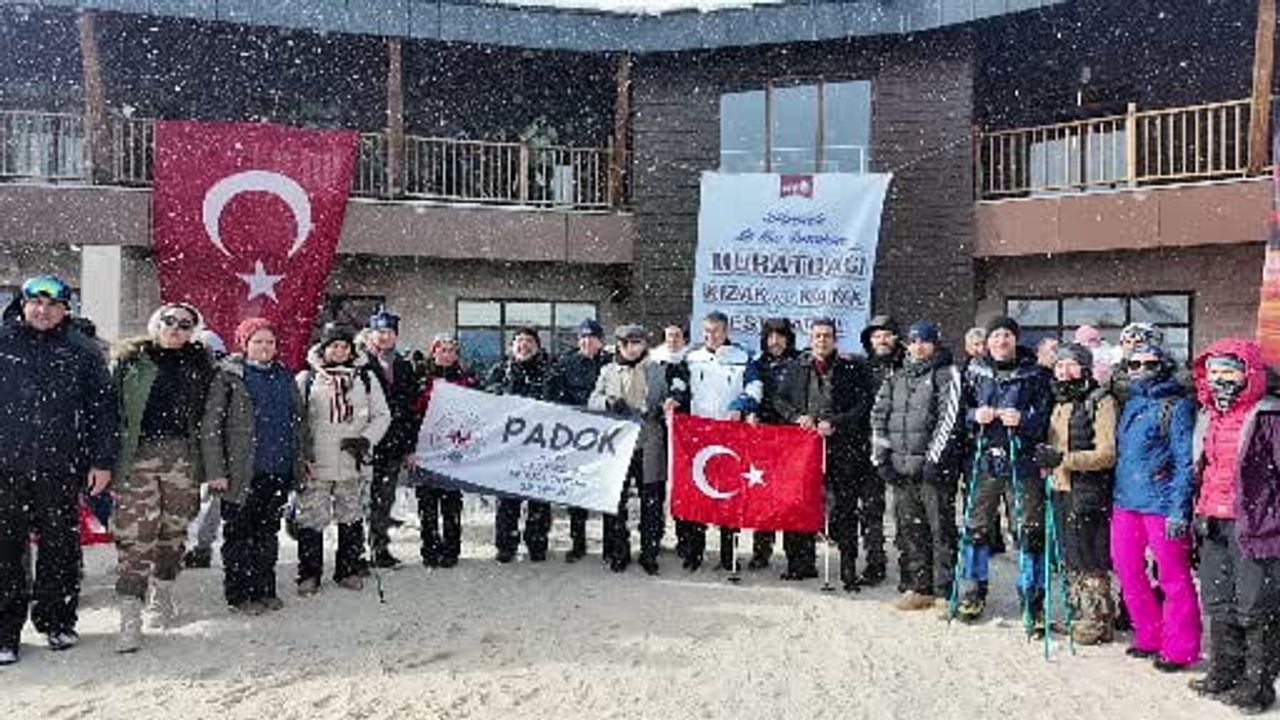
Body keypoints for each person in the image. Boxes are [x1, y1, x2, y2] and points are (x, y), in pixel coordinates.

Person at [0, 276, 117, 665]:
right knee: (6, 549)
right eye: (35, 303)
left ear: (66, 309)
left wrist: (102, 461)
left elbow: (103, 411)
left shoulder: (81, 350)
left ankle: (56, 620)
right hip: (7, 465)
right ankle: (5, 631)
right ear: (23, 304)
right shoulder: (3, 343)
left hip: (61, 465)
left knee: (60, 546)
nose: (43, 311)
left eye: (52, 305)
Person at [110, 301, 217, 653]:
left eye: (186, 324)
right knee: (136, 533)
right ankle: (130, 614)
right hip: (137, 456)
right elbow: (110, 410)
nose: (176, 329)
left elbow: (214, 414)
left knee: (173, 529)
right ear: (156, 324)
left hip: (182, 456)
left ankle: (162, 593)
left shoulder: (202, 364)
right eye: (170, 322)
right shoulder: (130, 361)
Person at [1188, 339, 1280, 712]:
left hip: (1257, 525)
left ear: (1249, 373)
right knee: (1219, 599)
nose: (1221, 380)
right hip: (1212, 519)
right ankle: (1224, 671)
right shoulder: (1208, 415)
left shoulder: (1270, 416)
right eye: (1214, 373)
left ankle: (1258, 685)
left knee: (1257, 605)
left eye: (1229, 371)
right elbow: (1202, 468)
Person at [201, 318, 309, 615]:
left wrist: (302, 459)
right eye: (258, 341)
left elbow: (299, 423)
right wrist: (216, 471)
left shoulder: (284, 376)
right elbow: (212, 427)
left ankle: (265, 588)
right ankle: (240, 594)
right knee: (239, 535)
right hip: (241, 473)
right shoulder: (229, 377)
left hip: (277, 469)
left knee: (267, 534)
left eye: (270, 342)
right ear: (244, 344)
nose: (264, 347)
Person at [955, 316, 1051, 625]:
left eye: (1006, 335)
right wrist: (974, 415)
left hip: (1021, 461)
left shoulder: (1035, 373)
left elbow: (1047, 416)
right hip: (985, 460)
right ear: (987, 341)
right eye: (995, 336)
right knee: (977, 529)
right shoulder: (974, 370)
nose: (1000, 341)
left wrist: (1023, 419)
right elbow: (957, 413)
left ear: (1015, 339)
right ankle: (972, 592)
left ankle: (1032, 600)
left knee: (1028, 532)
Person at [1111, 342, 1200, 671]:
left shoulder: (1176, 406)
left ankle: (1180, 647)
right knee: (1126, 569)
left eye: (1150, 363)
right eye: (1135, 364)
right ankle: (1149, 634)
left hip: (1161, 503)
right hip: (1125, 500)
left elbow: (1183, 461)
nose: (1142, 369)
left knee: (1173, 577)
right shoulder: (1132, 402)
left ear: (1163, 365)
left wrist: (1179, 508)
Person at [774, 319, 874, 590]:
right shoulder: (796, 367)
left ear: (835, 338)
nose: (822, 341)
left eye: (827, 336)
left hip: (842, 448)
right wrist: (797, 417)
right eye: (817, 336)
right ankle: (800, 564)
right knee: (801, 504)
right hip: (804, 449)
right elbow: (779, 400)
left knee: (844, 508)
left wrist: (837, 422)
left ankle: (848, 569)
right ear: (810, 338)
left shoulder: (851, 368)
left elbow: (863, 403)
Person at [871, 321, 962, 611]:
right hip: (901, 469)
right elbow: (879, 418)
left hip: (933, 470)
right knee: (910, 530)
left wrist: (933, 460)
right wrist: (881, 458)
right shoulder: (895, 378)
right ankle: (918, 586)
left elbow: (948, 419)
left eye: (924, 341)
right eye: (913, 341)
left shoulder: (946, 374)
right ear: (906, 345)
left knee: (941, 531)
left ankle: (945, 591)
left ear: (934, 344)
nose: (918, 346)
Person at [294, 323, 390, 594]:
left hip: (352, 459)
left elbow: (382, 415)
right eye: (334, 345)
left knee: (351, 517)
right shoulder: (307, 379)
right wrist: (302, 454)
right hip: (317, 461)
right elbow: (297, 422)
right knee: (312, 519)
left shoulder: (365, 379)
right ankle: (309, 574)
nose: (339, 350)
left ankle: (347, 570)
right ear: (324, 348)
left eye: (344, 346)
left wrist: (366, 439)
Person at [1034, 343, 1118, 645]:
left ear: (1084, 367)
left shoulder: (1099, 399)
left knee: (1090, 556)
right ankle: (1078, 614)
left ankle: (1097, 621)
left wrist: (1064, 459)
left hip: (1088, 489)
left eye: (1070, 365)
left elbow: (1107, 453)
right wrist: (1047, 459)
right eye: (1059, 366)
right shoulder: (1059, 400)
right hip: (1060, 487)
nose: (1064, 371)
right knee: (1070, 554)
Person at [671, 311, 752, 572]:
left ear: (727, 332)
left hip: (731, 436)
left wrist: (741, 405)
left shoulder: (743, 357)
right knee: (698, 495)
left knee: (729, 495)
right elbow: (680, 384)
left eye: (716, 331)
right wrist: (675, 398)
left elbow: (755, 388)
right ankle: (694, 552)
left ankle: (729, 555)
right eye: (707, 331)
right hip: (699, 436)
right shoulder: (692, 357)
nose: (711, 336)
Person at [588, 324, 672, 574]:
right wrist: (608, 402)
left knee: (651, 501)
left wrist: (662, 407)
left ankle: (649, 552)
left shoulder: (657, 370)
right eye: (626, 344)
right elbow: (593, 399)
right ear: (619, 345)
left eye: (637, 343)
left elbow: (668, 398)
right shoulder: (608, 371)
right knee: (616, 500)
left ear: (645, 345)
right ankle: (618, 551)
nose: (632, 348)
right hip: (618, 445)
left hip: (649, 442)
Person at [730, 318, 801, 572]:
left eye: (780, 336)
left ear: (788, 338)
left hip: (795, 438)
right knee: (763, 496)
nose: (775, 341)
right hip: (765, 437)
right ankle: (762, 551)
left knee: (793, 497)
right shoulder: (758, 364)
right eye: (770, 336)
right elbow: (751, 392)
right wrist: (748, 411)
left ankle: (797, 555)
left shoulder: (801, 361)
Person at [407, 333, 478, 568]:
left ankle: (451, 550)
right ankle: (429, 550)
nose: (446, 355)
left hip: (453, 453)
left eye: (451, 350)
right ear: (434, 352)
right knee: (427, 507)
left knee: (451, 506)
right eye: (442, 350)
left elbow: (477, 415)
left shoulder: (467, 379)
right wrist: (409, 448)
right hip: (424, 451)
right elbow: (409, 416)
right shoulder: (420, 378)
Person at [486, 327, 554, 563]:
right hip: (508, 446)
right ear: (512, 346)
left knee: (539, 499)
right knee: (507, 499)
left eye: (529, 341)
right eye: (519, 341)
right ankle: (506, 545)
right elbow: (488, 396)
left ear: (537, 346)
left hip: (539, 445)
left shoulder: (548, 372)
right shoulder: (500, 370)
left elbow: (559, 402)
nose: (523, 346)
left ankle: (537, 544)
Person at [546, 319, 611, 563]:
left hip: (606, 437)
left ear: (600, 340)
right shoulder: (565, 363)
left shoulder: (610, 363)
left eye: (591, 337)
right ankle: (578, 542)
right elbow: (554, 395)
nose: (586, 341)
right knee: (577, 492)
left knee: (607, 489)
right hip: (576, 436)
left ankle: (610, 543)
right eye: (582, 337)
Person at [362, 310, 421, 569]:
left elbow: (409, 409)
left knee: (384, 498)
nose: (384, 337)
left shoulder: (404, 366)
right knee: (361, 499)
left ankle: (379, 547)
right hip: (366, 442)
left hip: (394, 443)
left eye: (389, 332)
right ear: (371, 334)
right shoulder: (360, 363)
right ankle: (356, 552)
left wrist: (409, 447)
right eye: (380, 332)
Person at [855, 315, 902, 586]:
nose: (881, 340)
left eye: (886, 334)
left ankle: (911, 564)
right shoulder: (861, 368)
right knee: (871, 508)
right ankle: (875, 561)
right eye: (876, 336)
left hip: (904, 444)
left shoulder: (908, 365)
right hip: (869, 444)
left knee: (906, 510)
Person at [184, 330, 229, 570]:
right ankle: (196, 546)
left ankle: (200, 547)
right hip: (194, 445)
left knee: (212, 499)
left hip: (214, 445)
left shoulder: (226, 376)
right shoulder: (189, 372)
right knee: (202, 500)